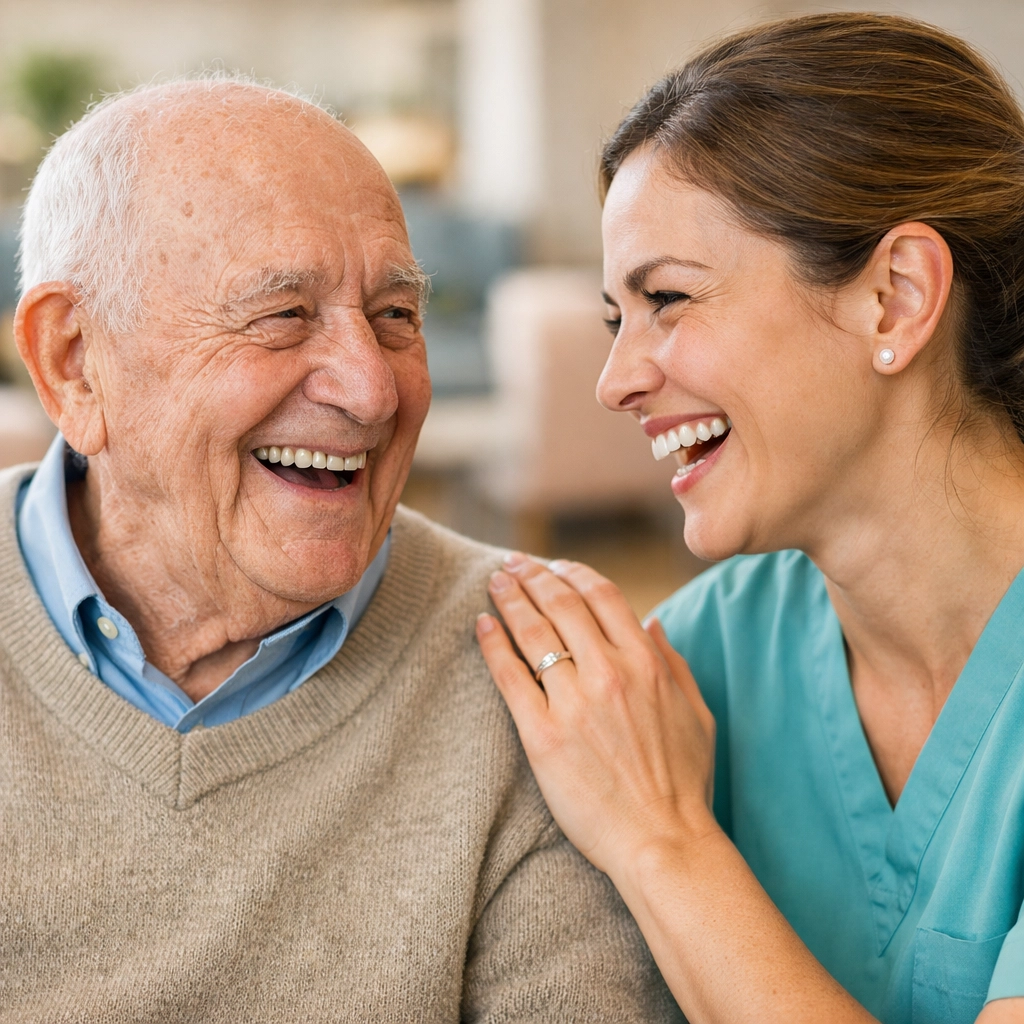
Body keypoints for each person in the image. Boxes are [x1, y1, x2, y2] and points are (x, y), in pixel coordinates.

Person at [0, 77, 677, 1022]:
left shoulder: (540, 673)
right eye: (282, 316)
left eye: (396, 315)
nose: (373, 391)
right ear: (73, 362)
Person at [477, 13, 1024, 1024]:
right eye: (616, 319)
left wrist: (663, 839)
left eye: (669, 298)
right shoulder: (701, 657)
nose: (614, 381)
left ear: (896, 298)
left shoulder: (656, 760)